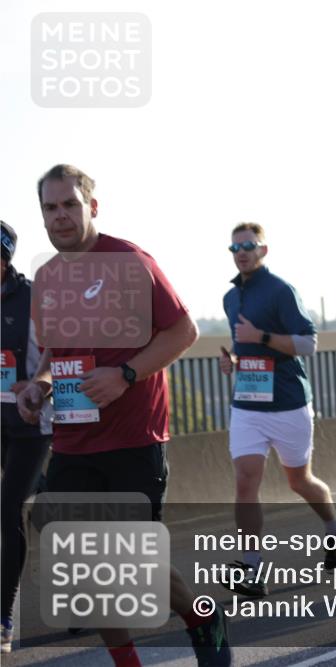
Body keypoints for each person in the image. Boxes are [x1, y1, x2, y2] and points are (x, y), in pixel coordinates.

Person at [16, 165, 231, 667]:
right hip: (71, 442)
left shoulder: (130, 261)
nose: (60, 216)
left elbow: (183, 332)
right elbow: (53, 353)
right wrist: (39, 387)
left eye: (70, 204)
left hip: (134, 438)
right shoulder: (47, 278)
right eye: (50, 207)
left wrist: (126, 375)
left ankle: (202, 617)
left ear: (92, 206)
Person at [217, 222, 336, 597]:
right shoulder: (230, 298)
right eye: (234, 248)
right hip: (248, 404)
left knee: (299, 481)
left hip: (289, 402)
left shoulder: (281, 290)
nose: (241, 252)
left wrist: (259, 337)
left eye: (248, 245)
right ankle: (250, 566)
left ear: (263, 250)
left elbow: (309, 343)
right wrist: (234, 363)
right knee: (246, 480)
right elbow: (245, 350)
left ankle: (335, 526)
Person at [1, 221, 53, 654]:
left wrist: (37, 383)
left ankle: (3, 617)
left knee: (7, 511)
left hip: (30, 423)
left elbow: (61, 346)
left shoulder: (35, 295)